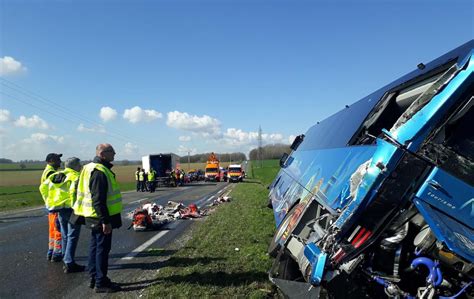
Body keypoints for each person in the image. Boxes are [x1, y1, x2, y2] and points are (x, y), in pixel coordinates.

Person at [73, 144, 122, 293]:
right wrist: (105, 221)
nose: (114, 154)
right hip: (99, 217)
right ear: (103, 154)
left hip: (91, 216)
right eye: (111, 151)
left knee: (94, 248)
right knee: (102, 249)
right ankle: (101, 282)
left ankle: (94, 277)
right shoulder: (99, 171)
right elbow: (98, 199)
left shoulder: (89, 167)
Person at [40, 157, 85, 273]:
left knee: (65, 234)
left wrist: (49, 203)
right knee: (73, 235)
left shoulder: (57, 175)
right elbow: (74, 193)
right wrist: (75, 205)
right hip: (71, 208)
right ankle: (69, 262)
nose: (80, 166)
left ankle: (66, 257)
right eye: (79, 164)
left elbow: (43, 187)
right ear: (74, 166)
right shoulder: (75, 176)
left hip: (59, 208)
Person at [40, 153, 63, 262]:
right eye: (58, 159)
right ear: (51, 160)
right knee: (58, 230)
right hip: (55, 205)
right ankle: (57, 253)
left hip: (51, 205)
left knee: (53, 230)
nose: (60, 161)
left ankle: (51, 251)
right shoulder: (50, 173)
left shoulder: (48, 171)